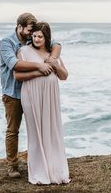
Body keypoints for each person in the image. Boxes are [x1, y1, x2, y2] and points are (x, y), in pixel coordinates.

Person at [0, 13, 61, 178]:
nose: (30, 34)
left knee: (40, 127)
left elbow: (55, 43)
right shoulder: (7, 42)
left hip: (34, 92)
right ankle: (12, 166)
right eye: (28, 30)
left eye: (33, 32)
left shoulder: (30, 38)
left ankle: (43, 162)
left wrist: (53, 58)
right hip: (13, 93)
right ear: (19, 27)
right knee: (13, 130)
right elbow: (15, 65)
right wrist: (39, 66)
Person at [13, 22, 70, 184]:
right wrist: (38, 71)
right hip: (31, 95)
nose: (36, 39)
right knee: (36, 132)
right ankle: (39, 172)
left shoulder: (53, 54)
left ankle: (54, 170)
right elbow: (17, 76)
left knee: (52, 130)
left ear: (46, 38)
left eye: (40, 36)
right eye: (34, 36)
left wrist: (54, 64)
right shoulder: (24, 51)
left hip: (50, 97)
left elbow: (64, 76)